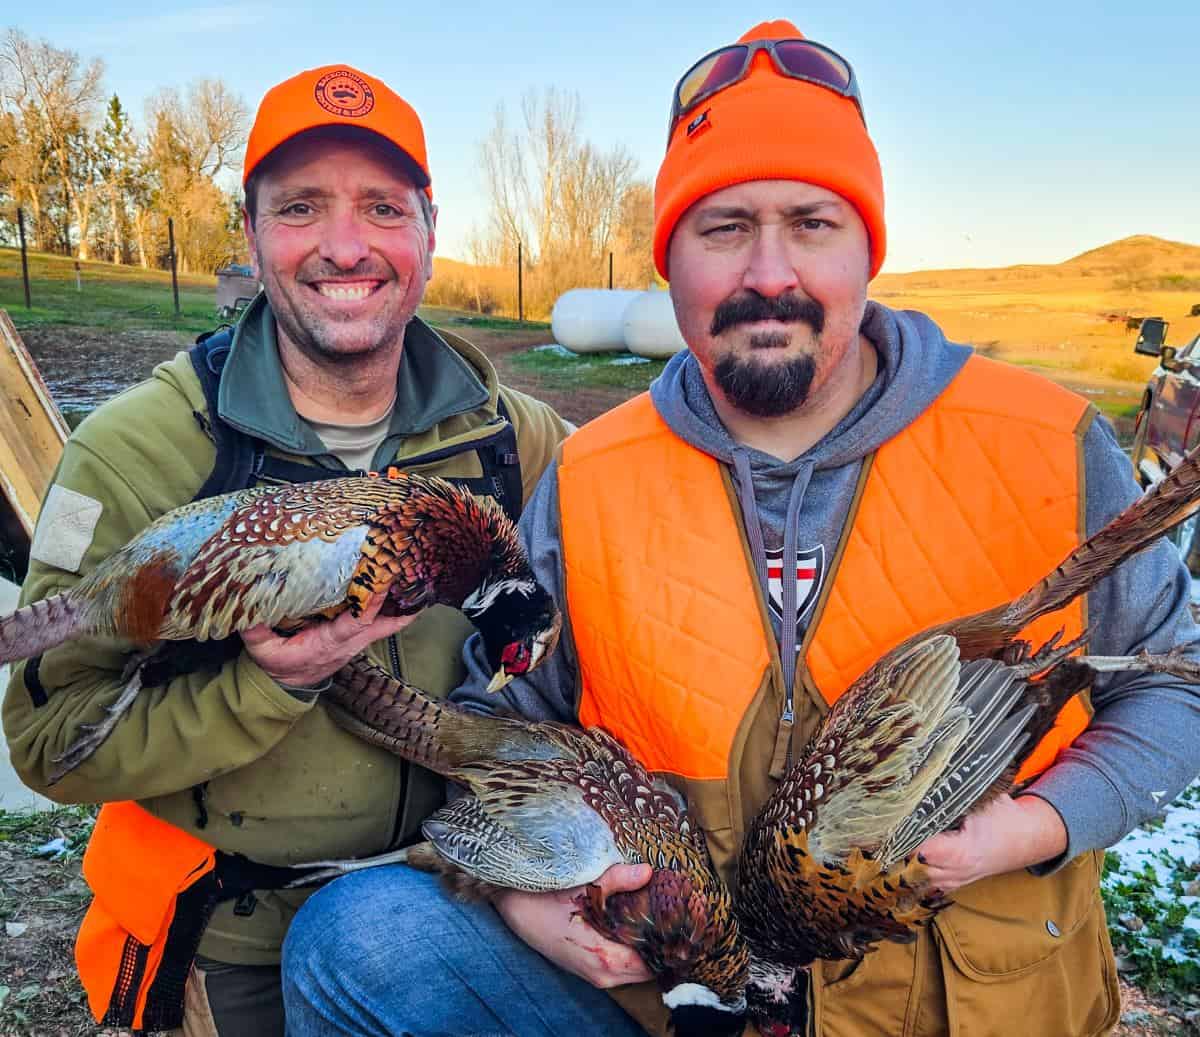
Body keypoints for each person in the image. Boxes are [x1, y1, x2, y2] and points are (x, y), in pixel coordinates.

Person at [281, 21, 1200, 1037]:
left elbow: (1173, 678)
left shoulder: (1043, 441)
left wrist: (1031, 827)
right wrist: (524, 891)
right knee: (359, 937)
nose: (770, 272)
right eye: (723, 228)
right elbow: (508, 716)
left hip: (958, 1000)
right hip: (681, 999)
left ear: (867, 249)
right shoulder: (594, 472)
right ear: (670, 262)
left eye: (812, 222)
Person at [1, 64, 570, 1036]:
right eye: (301, 206)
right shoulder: (139, 450)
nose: (345, 245)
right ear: (253, 231)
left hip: (466, 919)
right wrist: (268, 683)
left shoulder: (526, 443)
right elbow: (51, 738)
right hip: (233, 942)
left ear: (429, 231)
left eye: (382, 208)